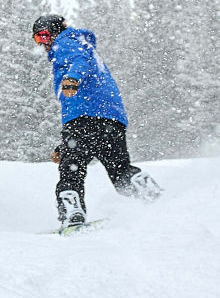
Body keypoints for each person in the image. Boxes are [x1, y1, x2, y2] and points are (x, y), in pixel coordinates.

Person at [31, 13, 161, 228]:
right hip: (111, 118)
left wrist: (72, 78)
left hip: (82, 116)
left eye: (44, 36)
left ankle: (73, 214)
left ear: (55, 31)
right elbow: (84, 61)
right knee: (120, 170)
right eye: (37, 39)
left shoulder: (65, 42)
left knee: (71, 171)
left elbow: (79, 61)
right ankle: (146, 191)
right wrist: (65, 145)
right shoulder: (86, 46)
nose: (42, 43)